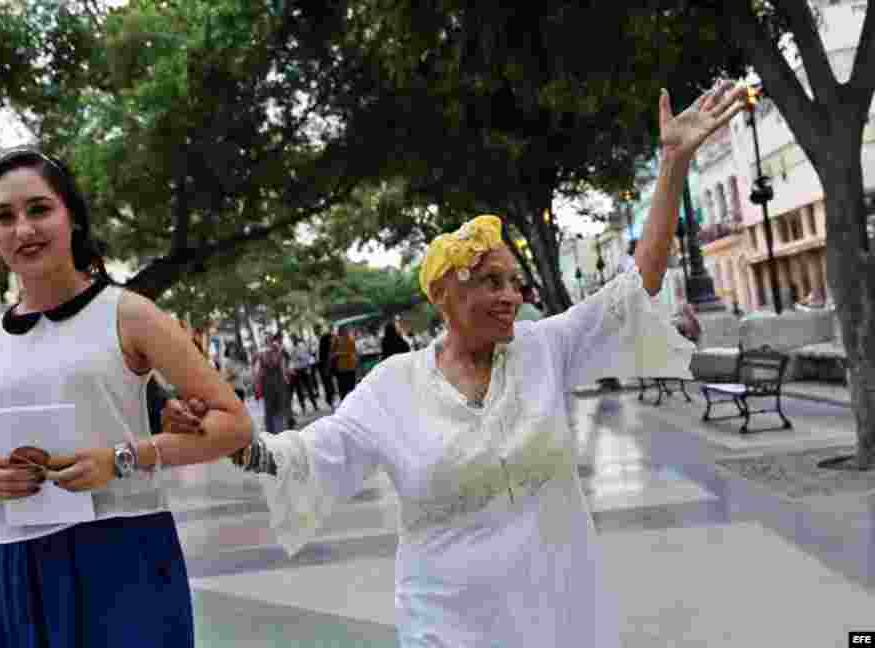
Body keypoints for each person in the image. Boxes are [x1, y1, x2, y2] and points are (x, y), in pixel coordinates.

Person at [177, 81, 745, 646]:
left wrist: (672, 165)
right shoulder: (393, 387)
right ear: (443, 294)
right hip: (447, 626)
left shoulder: (543, 350)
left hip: (560, 614)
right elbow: (309, 455)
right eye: (491, 281)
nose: (510, 296)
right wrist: (236, 442)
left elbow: (635, 286)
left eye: (515, 284)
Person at [0, 148, 253, 648]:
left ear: (71, 216)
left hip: (126, 555)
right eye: (4, 217)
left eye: (38, 209)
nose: (23, 229)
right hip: (25, 567)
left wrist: (123, 458)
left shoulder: (129, 314)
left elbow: (235, 424)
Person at [256, 333, 292, 433]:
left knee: (277, 406)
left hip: (274, 381)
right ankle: (277, 429)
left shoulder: (266, 353)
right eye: (268, 340)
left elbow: (259, 371)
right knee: (274, 406)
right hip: (271, 382)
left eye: (269, 339)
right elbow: (260, 371)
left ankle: (279, 428)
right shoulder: (266, 353)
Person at [288, 336, 319, 414]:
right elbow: (292, 361)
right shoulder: (291, 349)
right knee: (300, 391)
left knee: (309, 388)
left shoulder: (301, 347)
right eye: (292, 339)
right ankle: (303, 407)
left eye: (294, 339)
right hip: (297, 371)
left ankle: (314, 405)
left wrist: (307, 365)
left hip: (304, 370)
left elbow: (307, 357)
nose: (294, 341)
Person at [330, 326, 358, 399]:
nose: (345, 332)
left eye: (346, 330)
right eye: (344, 330)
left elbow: (354, 351)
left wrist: (339, 353)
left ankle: (351, 400)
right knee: (344, 388)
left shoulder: (350, 339)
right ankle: (347, 400)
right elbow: (332, 353)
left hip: (349, 367)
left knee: (350, 387)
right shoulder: (336, 340)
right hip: (342, 368)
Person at [315, 325, 336, 407]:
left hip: (325, 363)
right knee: (327, 382)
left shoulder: (324, 338)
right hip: (324, 364)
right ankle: (330, 398)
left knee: (328, 382)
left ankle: (330, 398)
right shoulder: (324, 339)